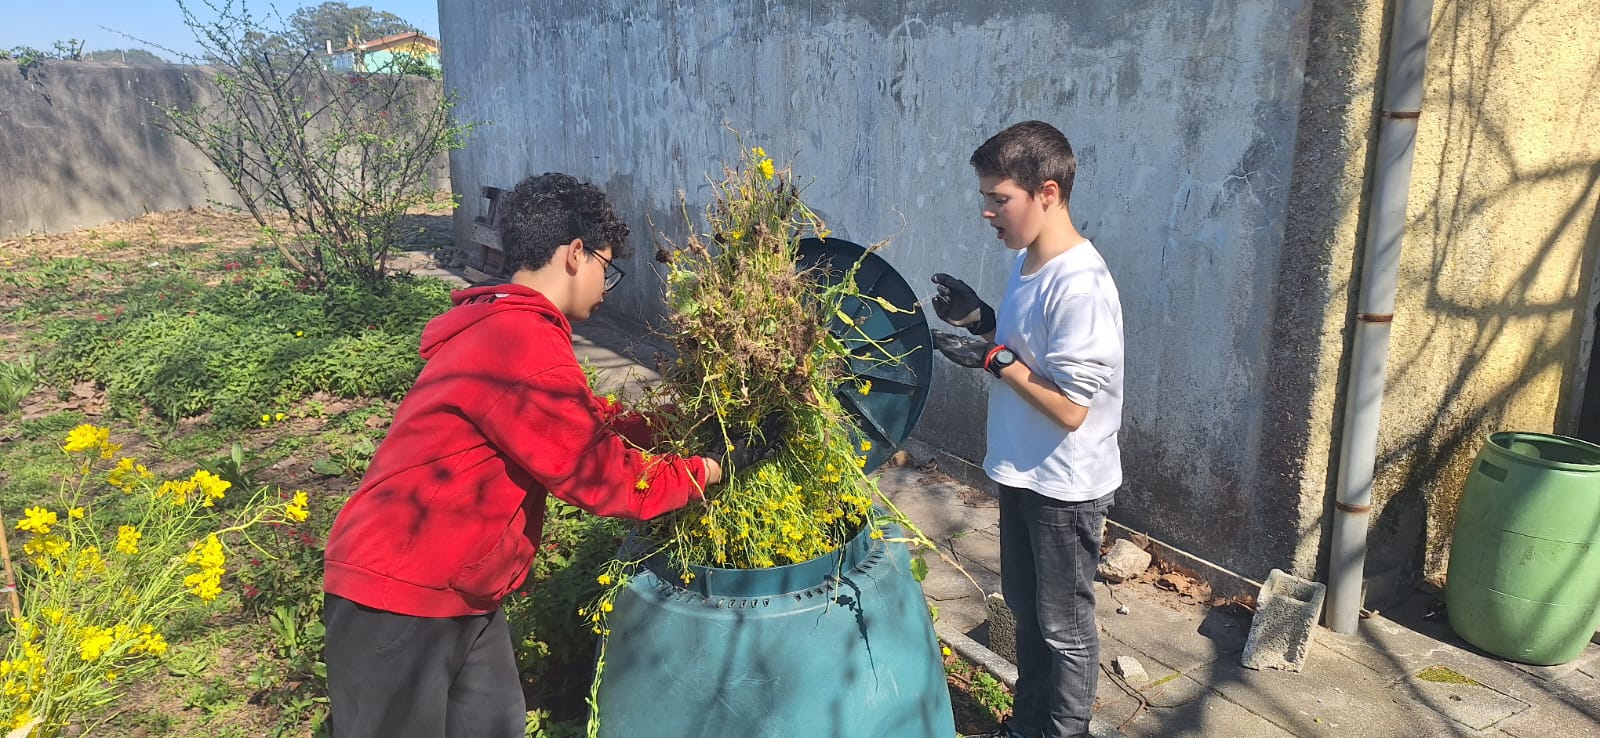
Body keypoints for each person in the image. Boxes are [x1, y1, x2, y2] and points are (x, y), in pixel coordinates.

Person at [321, 172, 779, 738]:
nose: (606, 287)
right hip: (399, 595)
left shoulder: (511, 328)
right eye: (605, 269)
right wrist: (710, 469)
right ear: (575, 253)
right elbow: (601, 477)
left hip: (462, 590)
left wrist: (676, 429)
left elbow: (584, 424)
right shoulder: (517, 341)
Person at [929, 121, 1124, 738]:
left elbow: (1071, 408)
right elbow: (1026, 349)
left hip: (1065, 487)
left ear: (1047, 192)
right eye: (985, 197)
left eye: (999, 198)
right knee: (1028, 616)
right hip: (1021, 470)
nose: (987, 211)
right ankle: (1027, 727)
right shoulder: (1026, 262)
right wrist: (982, 319)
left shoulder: (1081, 284)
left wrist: (992, 360)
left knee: (1065, 631)